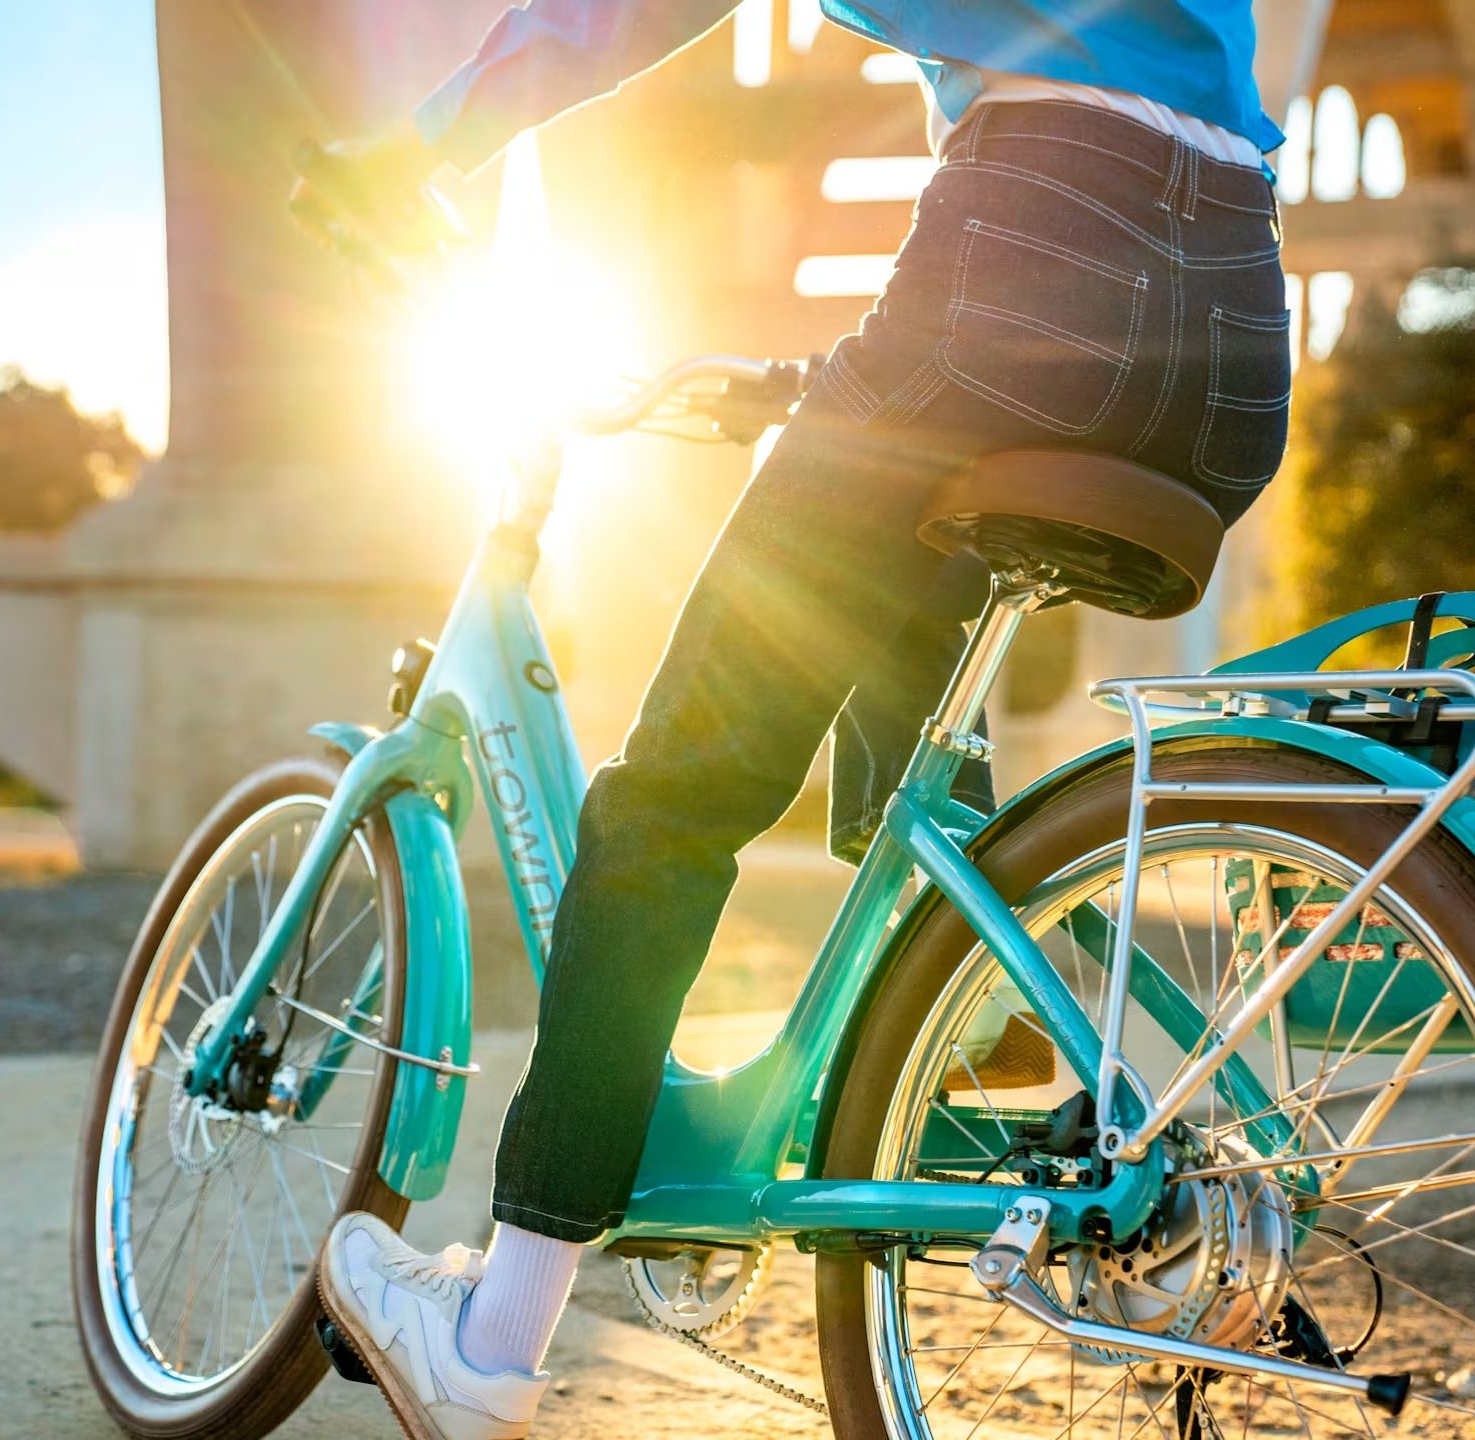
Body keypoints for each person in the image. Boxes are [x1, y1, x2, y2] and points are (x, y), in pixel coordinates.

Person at [294, 4, 1289, 1436]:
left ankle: (495, 1341)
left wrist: (420, 146)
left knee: (676, 799)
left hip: (1032, 232)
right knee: (900, 624)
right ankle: (974, 1021)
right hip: (1234, 327)